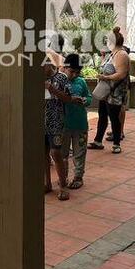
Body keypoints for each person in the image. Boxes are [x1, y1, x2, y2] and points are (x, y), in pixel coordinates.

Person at [44, 61, 83, 201]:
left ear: (48, 65)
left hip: (56, 121)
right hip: (41, 121)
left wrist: (52, 89)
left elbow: (68, 98)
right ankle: (47, 183)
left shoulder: (61, 78)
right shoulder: (38, 79)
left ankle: (63, 186)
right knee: (43, 153)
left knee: (56, 152)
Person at [89, 27, 129, 153]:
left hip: (115, 92)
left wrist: (104, 77)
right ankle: (98, 140)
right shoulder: (112, 54)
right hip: (107, 91)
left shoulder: (121, 54)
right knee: (102, 115)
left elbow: (121, 74)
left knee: (114, 118)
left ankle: (117, 144)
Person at [61, 54, 92, 189]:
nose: (74, 75)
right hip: (63, 125)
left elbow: (89, 96)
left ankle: (78, 177)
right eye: (71, 71)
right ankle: (63, 176)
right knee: (62, 153)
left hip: (80, 124)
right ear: (64, 68)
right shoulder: (59, 82)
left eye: (77, 72)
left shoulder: (81, 82)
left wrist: (86, 100)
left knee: (79, 152)